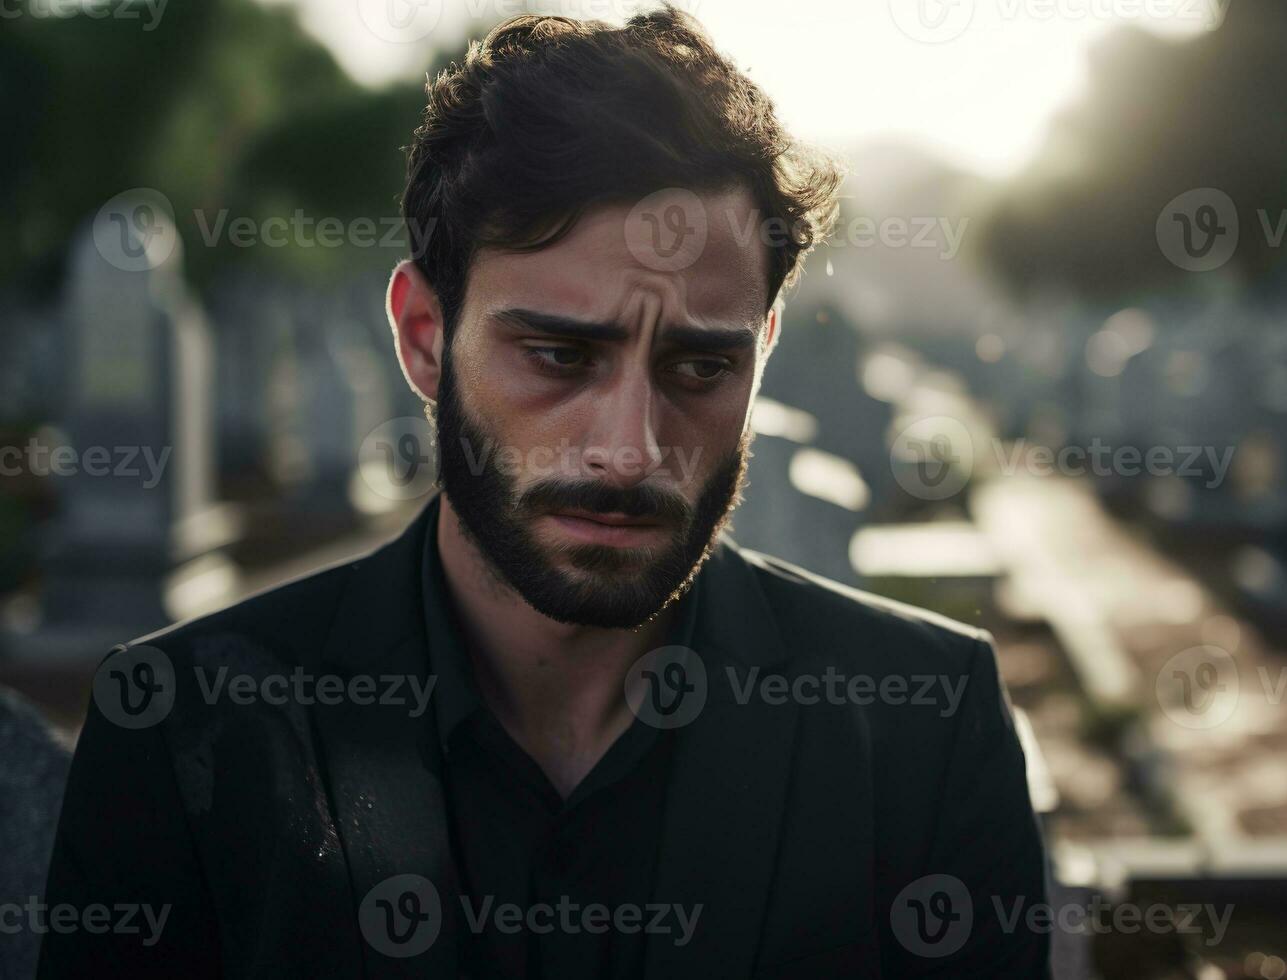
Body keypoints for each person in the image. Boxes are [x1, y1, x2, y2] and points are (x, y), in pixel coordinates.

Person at [39, 7, 1048, 977]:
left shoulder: (928, 726)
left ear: (764, 352)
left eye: (700, 366)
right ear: (426, 338)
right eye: (561, 354)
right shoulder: (182, 734)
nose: (628, 449)